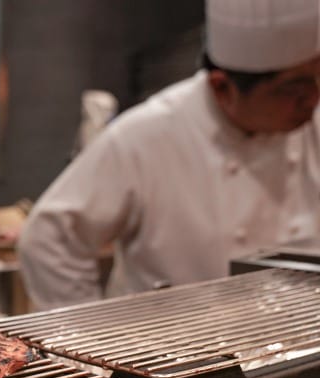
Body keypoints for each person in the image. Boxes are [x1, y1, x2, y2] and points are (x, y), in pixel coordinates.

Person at [17, 0, 320, 310]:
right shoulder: (147, 134)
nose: (312, 99)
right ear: (222, 88)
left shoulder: (312, 123)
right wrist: (85, 341)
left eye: (317, 76)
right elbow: (49, 241)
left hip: (295, 343)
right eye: (294, 89)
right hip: (175, 350)